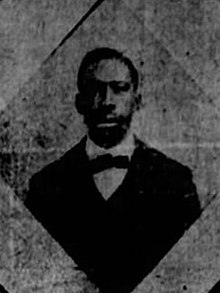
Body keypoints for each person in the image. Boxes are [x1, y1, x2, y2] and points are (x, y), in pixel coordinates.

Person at [25, 48, 201, 293]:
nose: (106, 101)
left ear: (137, 101)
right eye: (94, 89)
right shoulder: (45, 185)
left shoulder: (175, 181)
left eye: (119, 88)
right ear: (79, 102)